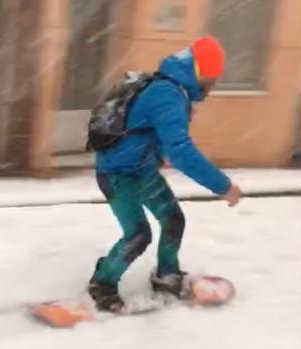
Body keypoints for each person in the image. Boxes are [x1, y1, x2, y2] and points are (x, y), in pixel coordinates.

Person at [88, 36, 243, 312]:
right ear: (197, 71)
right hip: (117, 174)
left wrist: (159, 154)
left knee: (172, 219)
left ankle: (167, 276)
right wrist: (223, 186)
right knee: (138, 235)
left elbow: (152, 133)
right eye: (210, 78)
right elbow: (182, 152)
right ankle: (102, 283)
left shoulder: (174, 90)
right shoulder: (167, 94)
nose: (211, 86)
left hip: (141, 168)